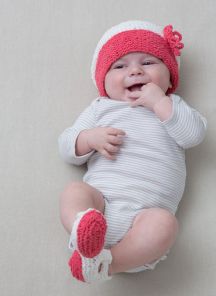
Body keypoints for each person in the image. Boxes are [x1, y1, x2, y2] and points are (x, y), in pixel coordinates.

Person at [58, 20, 207, 283]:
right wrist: (90, 138)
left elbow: (193, 135)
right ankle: (81, 227)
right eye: (120, 66)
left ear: (170, 76)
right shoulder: (101, 108)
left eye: (148, 63)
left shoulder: (172, 105)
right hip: (101, 205)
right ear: (104, 81)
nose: (135, 71)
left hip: (145, 222)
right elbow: (66, 145)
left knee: (166, 225)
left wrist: (159, 102)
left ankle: (106, 264)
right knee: (75, 192)